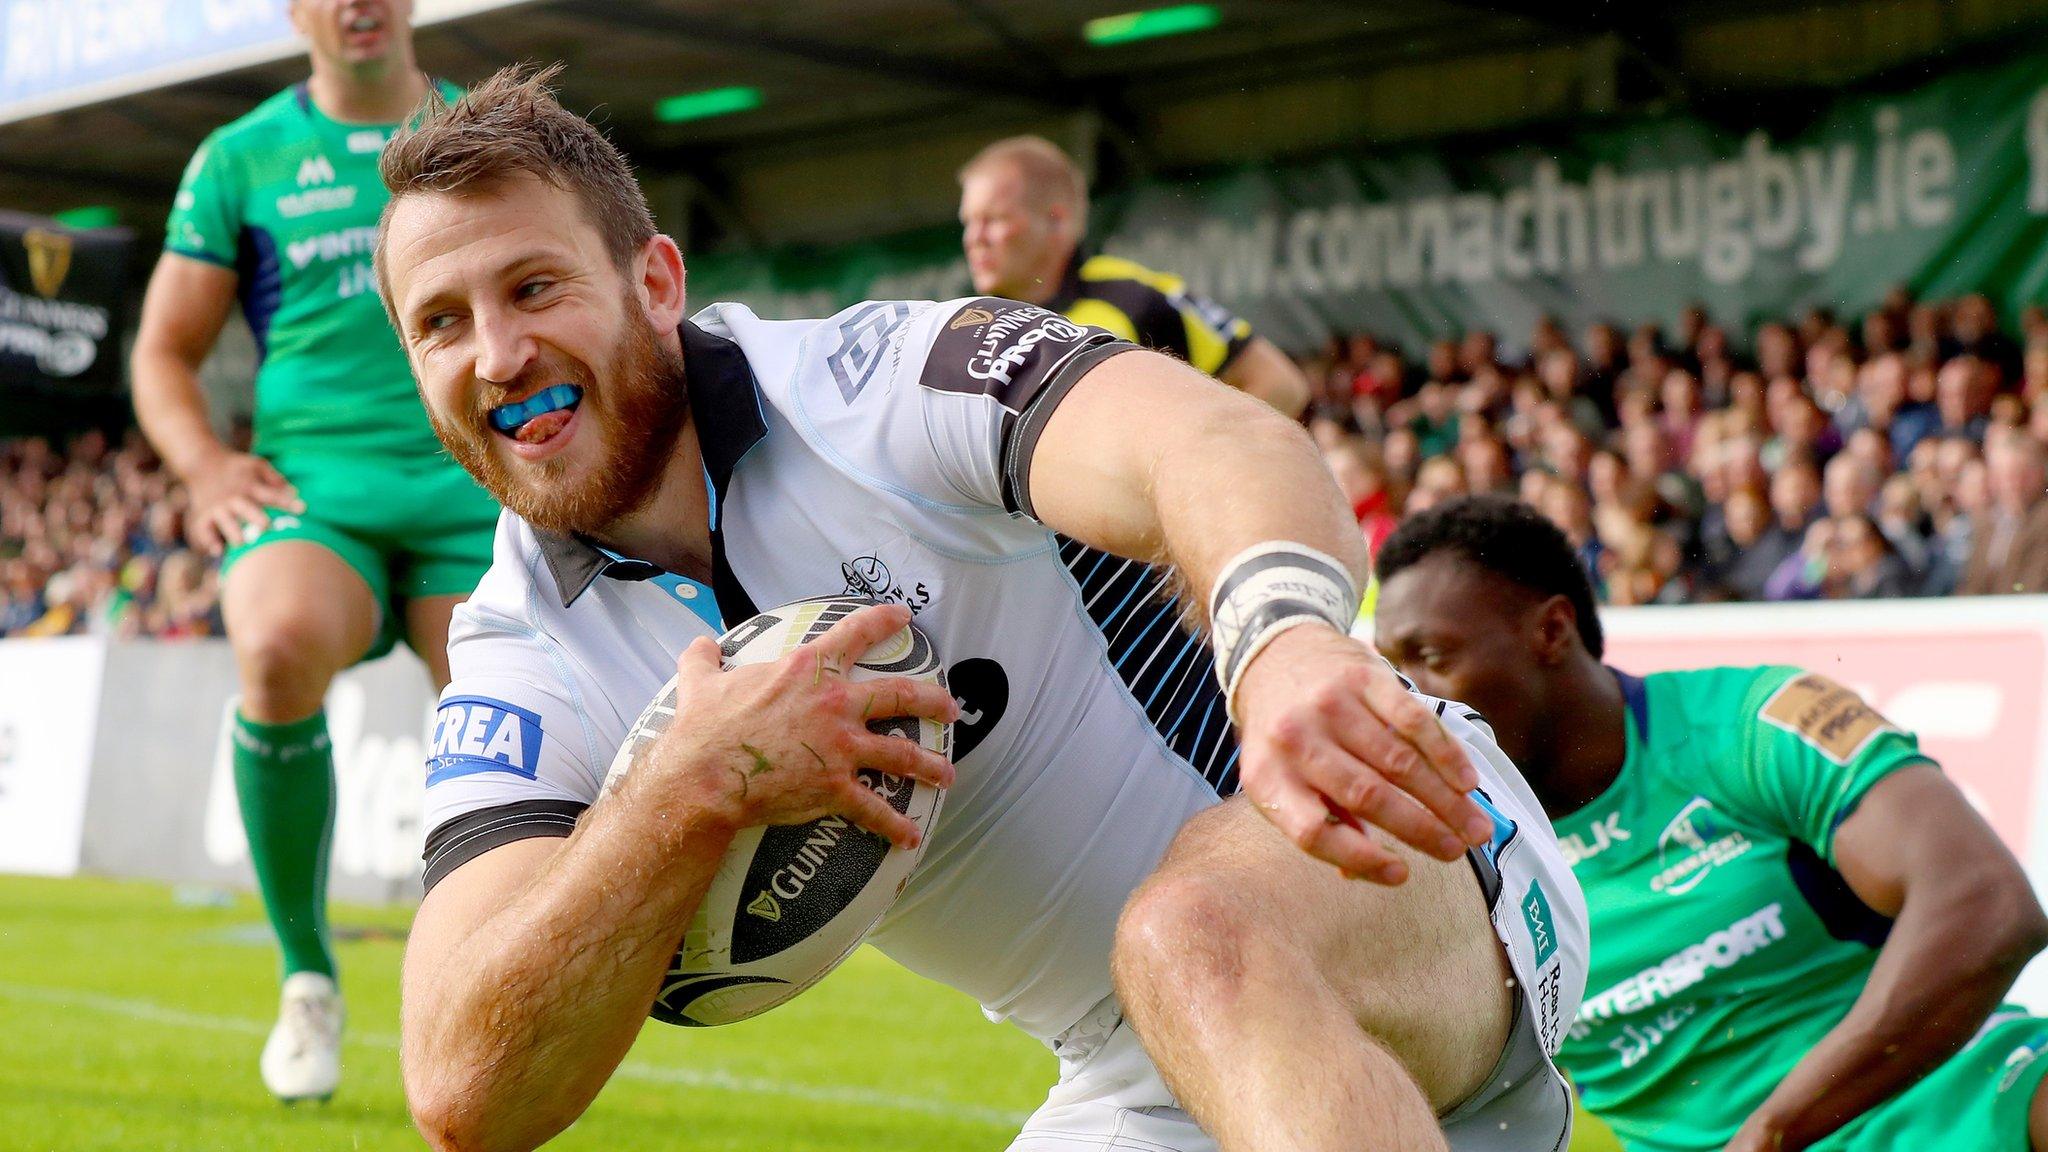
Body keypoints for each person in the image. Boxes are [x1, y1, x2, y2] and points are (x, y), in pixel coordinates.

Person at [377, 68, 1586, 1152]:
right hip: (1142, 1066)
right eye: (440, 321)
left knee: (1195, 936)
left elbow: (1210, 437)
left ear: (653, 283)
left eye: (534, 287)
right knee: (1187, 959)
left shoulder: (873, 384)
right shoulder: (517, 649)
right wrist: (683, 787)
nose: (496, 353)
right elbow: (464, 1086)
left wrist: (1281, 643)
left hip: (1399, 852)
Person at [1373, 495, 2048, 1152]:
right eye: (1393, 673)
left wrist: (1772, 1133)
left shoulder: (1750, 721)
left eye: (1431, 660)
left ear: (1552, 630)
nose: (1412, 704)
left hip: (1978, 1100)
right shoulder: (1441, 858)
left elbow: (1986, 904)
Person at [128, 0, 499, 1103]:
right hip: (313, 491)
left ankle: (483, 986)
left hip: (467, 480)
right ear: (294, 10)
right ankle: (306, 980)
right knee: (279, 641)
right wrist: (202, 465)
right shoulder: (240, 158)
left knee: (503, 694)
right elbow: (161, 350)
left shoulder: (484, 129)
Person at [956, 135, 1310, 418]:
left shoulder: (1134, 298)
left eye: (994, 219)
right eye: (968, 222)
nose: (974, 239)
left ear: (1056, 220)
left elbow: (1281, 385)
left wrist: (1183, 471)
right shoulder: (966, 327)